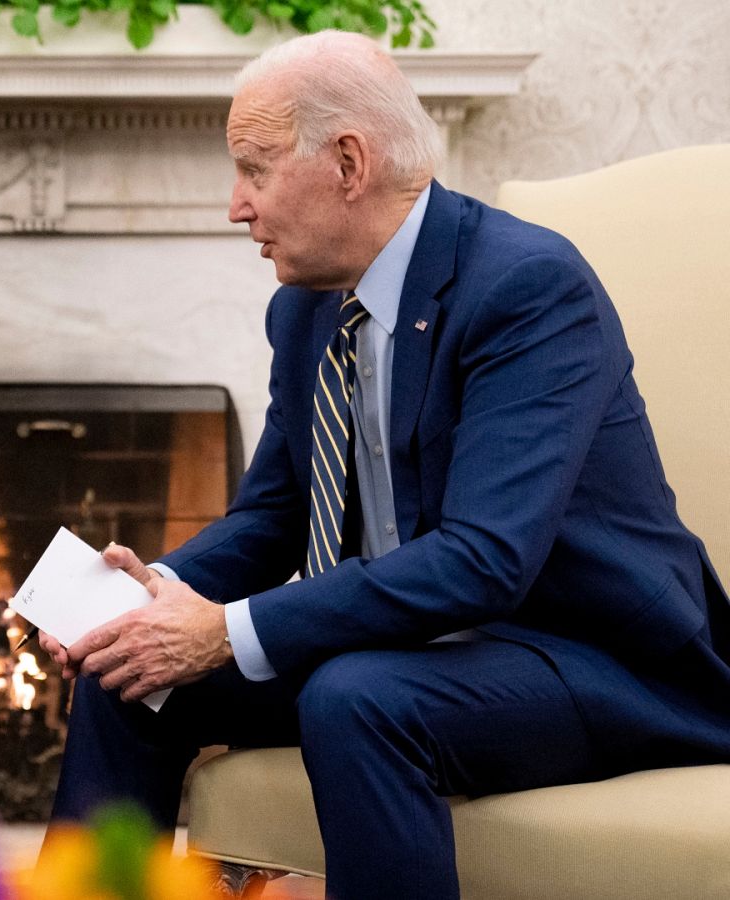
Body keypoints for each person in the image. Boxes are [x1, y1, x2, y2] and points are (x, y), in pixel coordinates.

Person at [39, 31, 730, 900]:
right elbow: (270, 519)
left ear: (348, 162)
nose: (234, 206)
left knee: (356, 694)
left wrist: (223, 631)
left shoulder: (526, 287)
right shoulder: (306, 311)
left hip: (591, 659)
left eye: (253, 169)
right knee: (132, 679)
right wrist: (141, 607)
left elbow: (485, 560)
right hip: (411, 651)